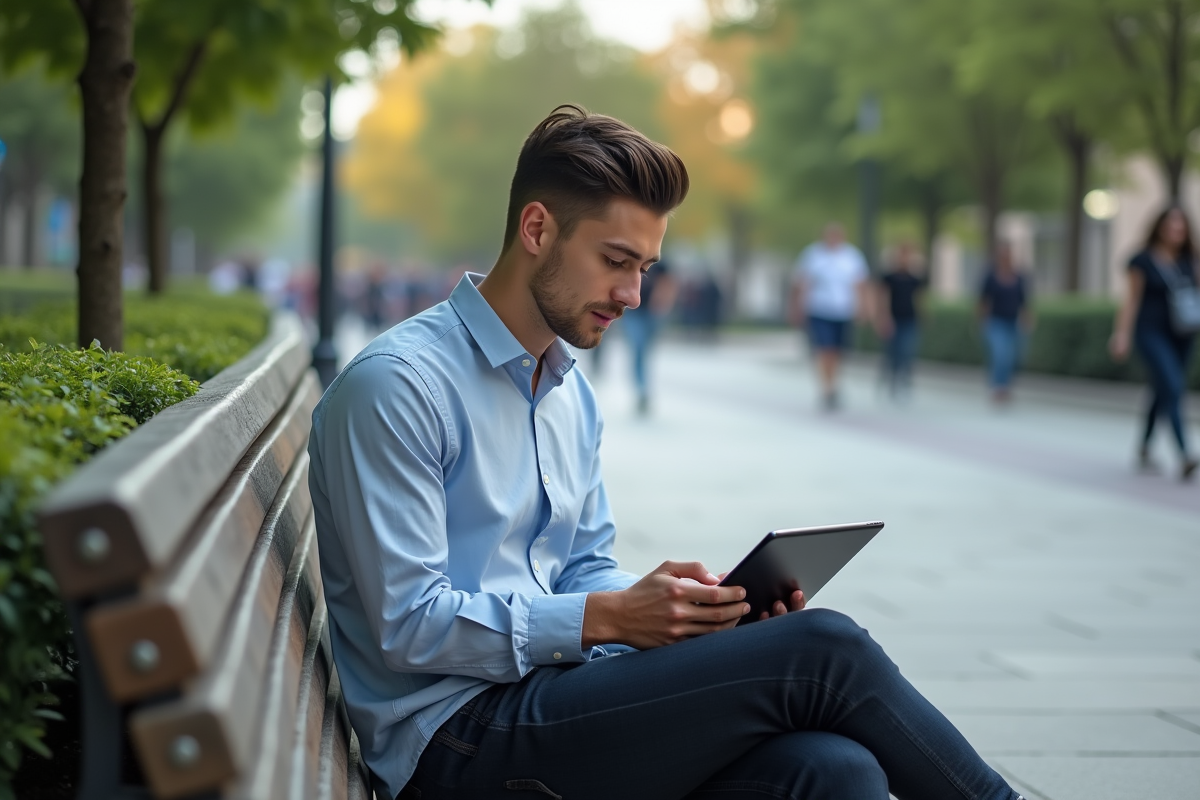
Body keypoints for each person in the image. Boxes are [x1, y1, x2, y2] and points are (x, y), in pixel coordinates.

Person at [307, 105, 1023, 800]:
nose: (635, 294)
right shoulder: (397, 388)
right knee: (823, 653)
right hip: (457, 742)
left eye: (646, 267)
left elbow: (582, 565)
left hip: (550, 695)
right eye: (616, 261)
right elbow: (408, 626)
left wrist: (686, 617)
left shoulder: (566, 390)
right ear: (536, 229)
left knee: (835, 770)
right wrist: (611, 619)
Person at [1109, 206, 1198, 480]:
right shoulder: (1142, 261)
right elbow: (1131, 300)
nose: (1176, 232)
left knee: (1162, 390)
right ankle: (1185, 453)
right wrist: (1121, 334)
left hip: (1183, 334)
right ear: (1159, 227)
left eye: (1180, 227)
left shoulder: (1189, 260)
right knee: (1172, 385)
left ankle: (1145, 447)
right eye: (1171, 226)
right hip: (1150, 332)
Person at [790, 223, 870, 410]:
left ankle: (833, 382)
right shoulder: (813, 255)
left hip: (843, 311)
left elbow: (861, 284)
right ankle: (827, 388)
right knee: (825, 349)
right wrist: (796, 307)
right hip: (819, 309)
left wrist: (864, 307)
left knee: (838, 351)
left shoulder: (852, 256)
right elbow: (801, 283)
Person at [978, 243, 1033, 404]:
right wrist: (982, 321)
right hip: (996, 322)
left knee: (1013, 356)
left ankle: (1006, 385)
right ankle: (997, 386)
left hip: (1014, 322)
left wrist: (1027, 319)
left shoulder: (1019, 277)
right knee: (1000, 354)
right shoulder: (990, 276)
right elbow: (983, 300)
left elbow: (1024, 301)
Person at [621, 258, 677, 414]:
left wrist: (662, 304)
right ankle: (641, 389)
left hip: (652, 314)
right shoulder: (633, 255)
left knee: (644, 352)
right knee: (638, 349)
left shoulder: (660, 262)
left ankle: (643, 388)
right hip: (633, 312)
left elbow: (668, 284)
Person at [875, 241, 927, 399]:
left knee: (907, 350)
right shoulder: (889, 277)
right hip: (893, 318)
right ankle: (891, 378)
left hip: (910, 318)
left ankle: (904, 378)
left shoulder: (914, 278)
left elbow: (919, 298)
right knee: (893, 351)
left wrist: (923, 315)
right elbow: (882, 297)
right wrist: (883, 317)